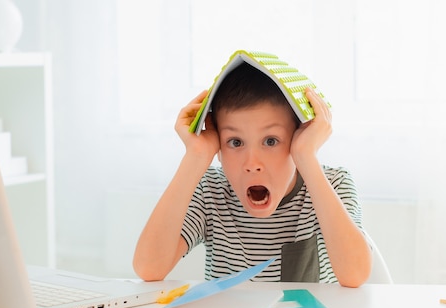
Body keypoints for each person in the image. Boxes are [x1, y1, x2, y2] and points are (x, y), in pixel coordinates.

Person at [133, 62, 372, 288]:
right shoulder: (210, 191)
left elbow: (355, 274)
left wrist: (306, 157)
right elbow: (149, 268)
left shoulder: (333, 182)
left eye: (270, 141)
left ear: (299, 137)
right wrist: (195, 157)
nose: (252, 164)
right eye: (235, 142)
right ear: (218, 146)